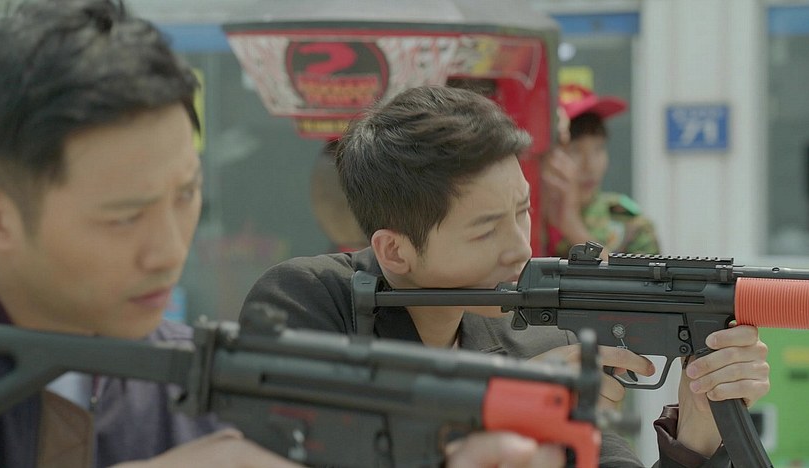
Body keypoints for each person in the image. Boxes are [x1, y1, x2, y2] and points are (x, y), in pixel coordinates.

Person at [0, 2, 564, 467]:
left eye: (187, 195)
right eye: (124, 217)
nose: (169, 249)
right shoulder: (280, 321)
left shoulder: (190, 379)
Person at [241, 85, 771, 467]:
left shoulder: (541, 337)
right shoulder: (311, 303)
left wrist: (697, 436)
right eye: (485, 230)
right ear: (395, 251)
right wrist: (498, 403)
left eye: (522, 212)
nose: (521, 247)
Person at [542, 84, 660, 260]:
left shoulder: (631, 226)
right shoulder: (519, 220)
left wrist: (574, 229)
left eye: (598, 148)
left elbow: (637, 279)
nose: (590, 166)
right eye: (574, 150)